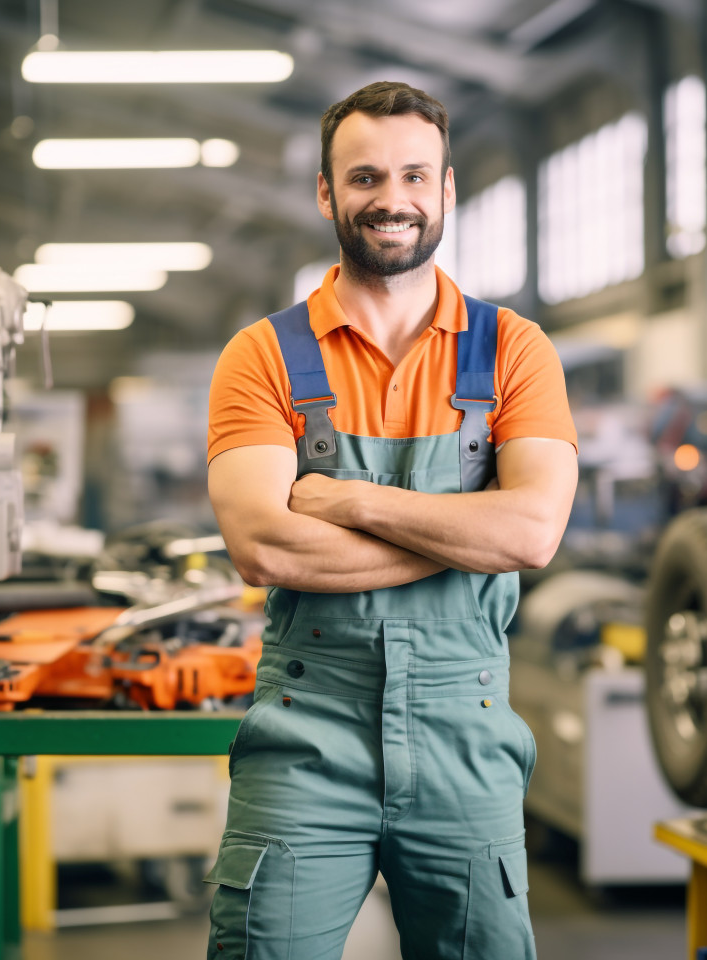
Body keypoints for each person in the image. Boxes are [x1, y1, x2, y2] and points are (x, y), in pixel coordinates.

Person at [204, 80, 578, 960]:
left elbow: (531, 536)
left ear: (446, 191)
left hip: (466, 730)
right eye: (366, 177)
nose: (393, 199)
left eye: (416, 175)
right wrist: (462, 536)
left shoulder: (515, 350)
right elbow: (261, 544)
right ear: (329, 195)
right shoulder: (261, 354)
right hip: (308, 729)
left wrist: (349, 499)